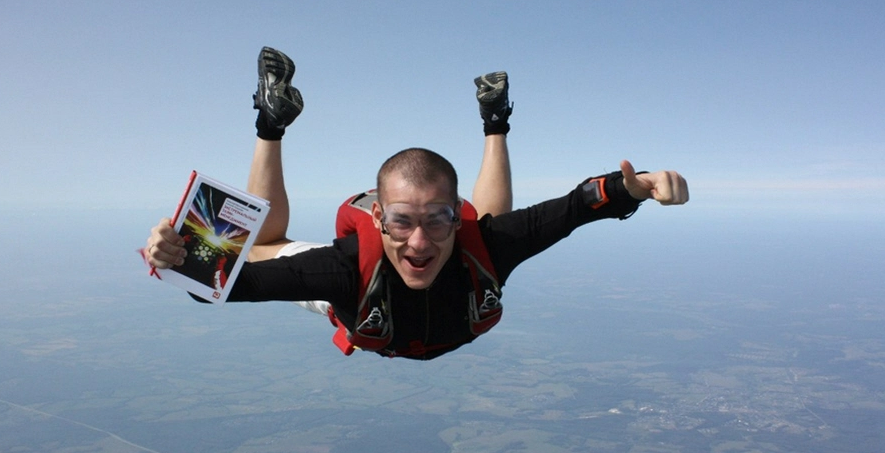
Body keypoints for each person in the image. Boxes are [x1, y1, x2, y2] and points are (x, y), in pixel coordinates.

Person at [145, 47, 689, 360]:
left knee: (492, 229)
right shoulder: (341, 270)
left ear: (455, 214)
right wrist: (179, 257)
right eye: (402, 223)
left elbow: (573, 208)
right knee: (264, 247)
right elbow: (232, 283)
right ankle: (270, 123)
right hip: (361, 282)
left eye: (438, 220)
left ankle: (493, 120)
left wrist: (634, 187)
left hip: (448, 257)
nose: (421, 243)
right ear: (376, 217)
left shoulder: (483, 244)